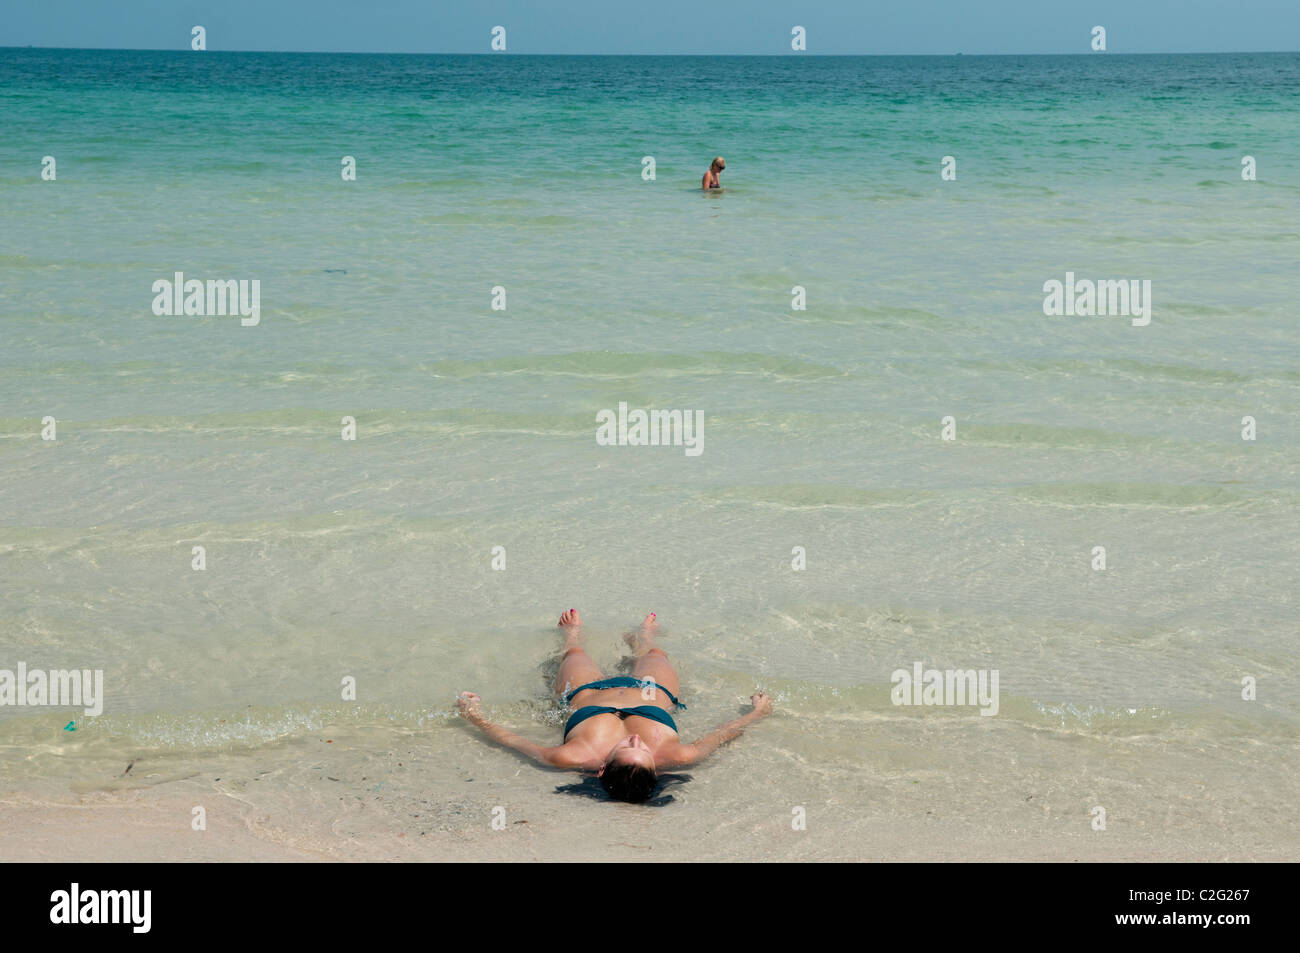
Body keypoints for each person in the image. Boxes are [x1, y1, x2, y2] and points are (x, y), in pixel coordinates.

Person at [457, 609, 773, 802]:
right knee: (655, 654)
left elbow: (515, 742)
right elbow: (721, 735)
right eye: (644, 751)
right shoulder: (680, 755)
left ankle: (571, 636)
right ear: (656, 768)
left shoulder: (571, 756)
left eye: (626, 748)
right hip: (651, 691)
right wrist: (758, 713)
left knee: (574, 653)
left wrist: (476, 718)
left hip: (585, 691)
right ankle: (642, 639)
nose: (635, 740)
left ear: (602, 768)